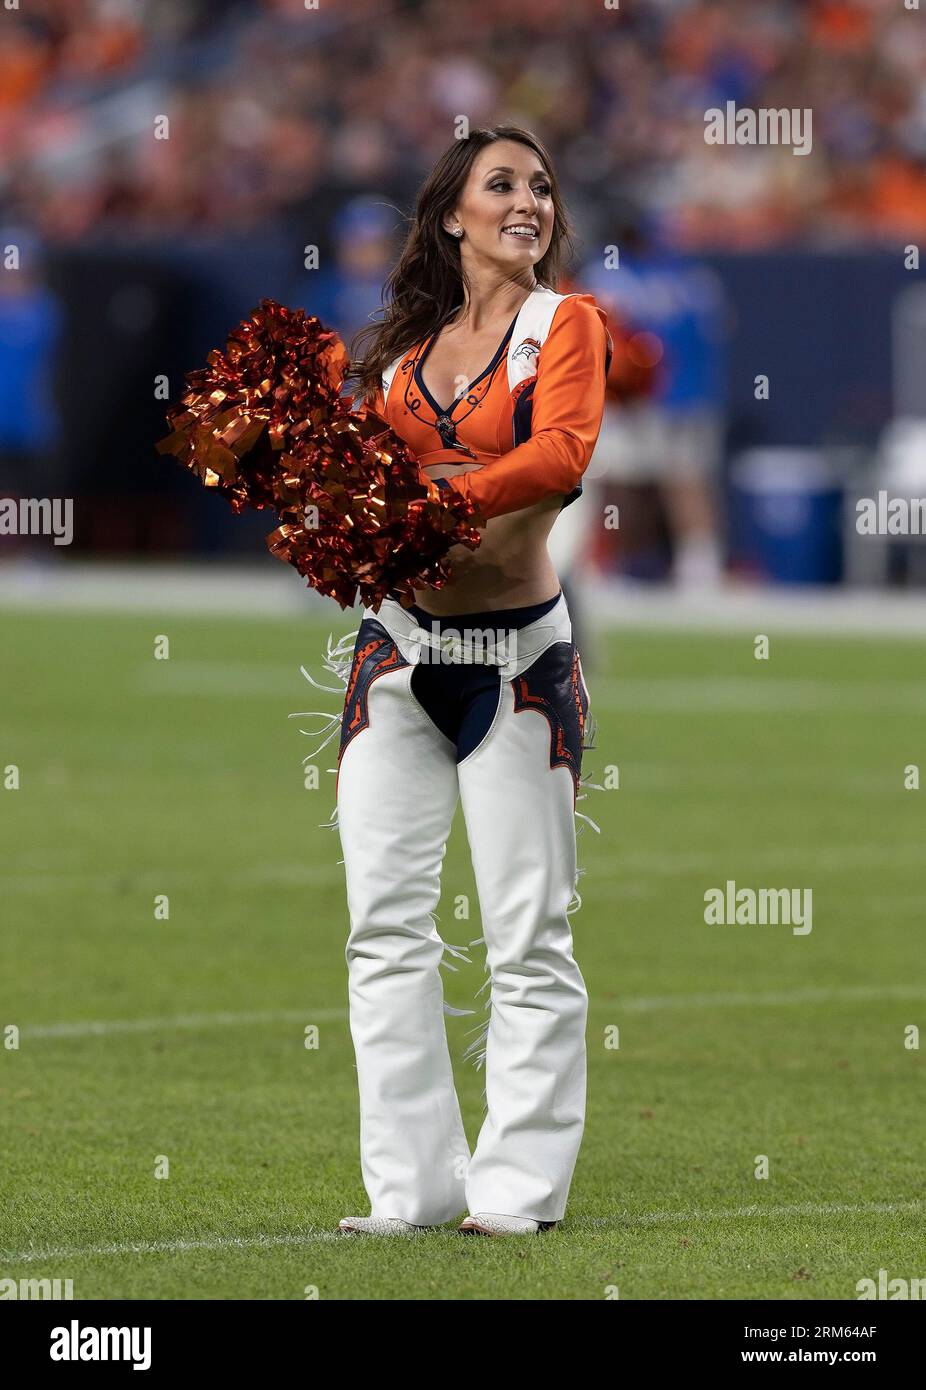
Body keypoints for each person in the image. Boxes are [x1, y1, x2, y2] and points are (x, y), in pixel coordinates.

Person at [300, 126, 612, 1238]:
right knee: (382, 928)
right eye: (501, 184)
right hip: (398, 657)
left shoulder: (561, 325)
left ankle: (517, 1191)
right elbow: (358, 507)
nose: (526, 200)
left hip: (517, 664)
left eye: (540, 185)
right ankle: (413, 1189)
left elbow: (561, 458)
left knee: (527, 933)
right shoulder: (396, 360)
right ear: (451, 215)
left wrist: (430, 498)